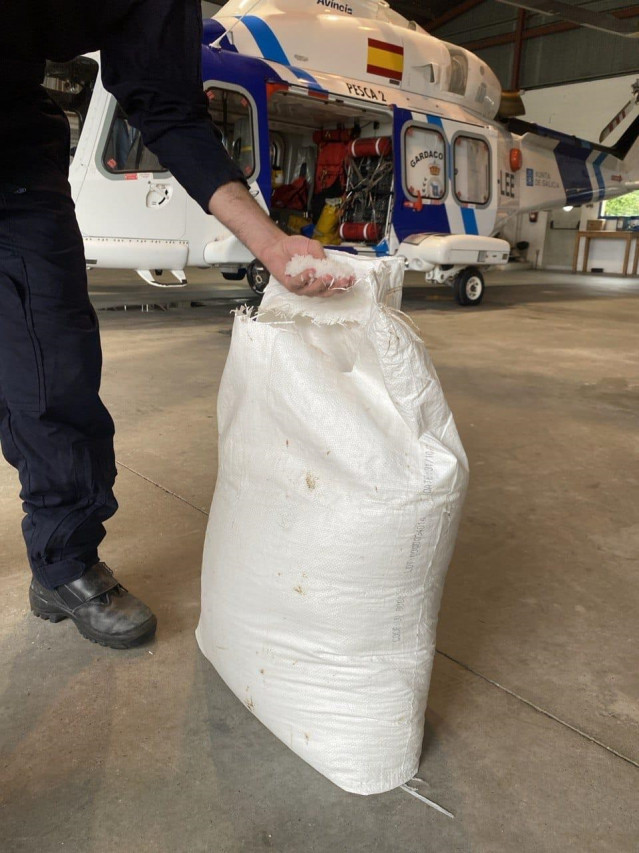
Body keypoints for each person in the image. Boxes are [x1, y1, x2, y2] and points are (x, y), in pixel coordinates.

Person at [0, 1, 352, 650]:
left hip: (12, 165)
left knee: (55, 376)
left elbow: (167, 105)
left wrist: (269, 242)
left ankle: (63, 562)